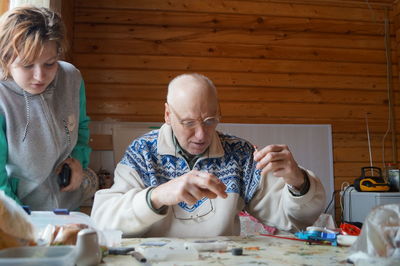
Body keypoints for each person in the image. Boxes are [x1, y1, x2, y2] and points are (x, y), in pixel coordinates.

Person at [91, 73, 326, 237]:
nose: (201, 135)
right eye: (188, 123)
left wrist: (298, 183)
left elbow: (292, 220)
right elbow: (104, 220)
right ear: (167, 114)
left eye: (210, 121)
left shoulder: (240, 154)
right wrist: (157, 196)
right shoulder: (142, 152)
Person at [0, 6, 95, 210]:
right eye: (27, 66)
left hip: (66, 210)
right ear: (6, 59)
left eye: (50, 64)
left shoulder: (71, 77)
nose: (40, 76)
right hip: (16, 210)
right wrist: (19, 218)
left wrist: (79, 162)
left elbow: (81, 127)